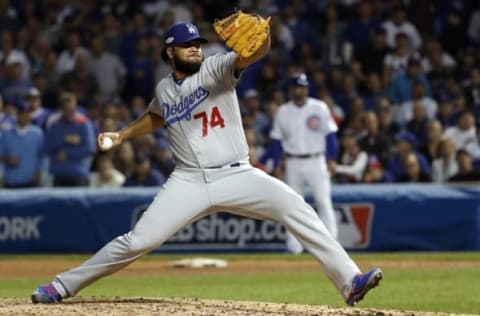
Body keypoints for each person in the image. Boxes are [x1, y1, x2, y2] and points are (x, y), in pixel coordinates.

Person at [31, 20, 382, 307]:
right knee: (137, 242)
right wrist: (122, 136)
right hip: (188, 182)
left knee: (297, 208)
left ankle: (350, 281)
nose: (196, 48)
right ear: (170, 51)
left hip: (237, 173)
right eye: (188, 44)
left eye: (197, 42)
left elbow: (253, 53)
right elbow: (156, 116)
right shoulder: (164, 89)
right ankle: (61, 286)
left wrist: (264, 39)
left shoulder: (217, 67)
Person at [266, 72, 340, 254]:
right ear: (291, 89)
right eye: (297, 87)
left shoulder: (319, 107)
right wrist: (276, 163)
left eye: (303, 87)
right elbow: (277, 141)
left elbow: (330, 135)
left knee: (323, 202)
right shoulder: (283, 111)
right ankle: (294, 247)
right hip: (293, 162)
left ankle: (333, 245)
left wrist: (332, 158)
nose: (301, 90)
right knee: (292, 206)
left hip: (317, 160)